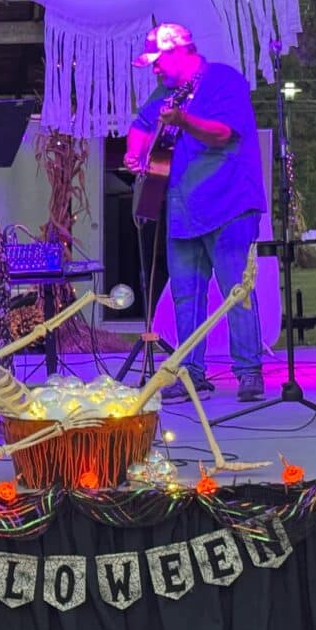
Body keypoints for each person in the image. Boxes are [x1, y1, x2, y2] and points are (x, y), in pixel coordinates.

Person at [123, 23, 266, 403]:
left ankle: (249, 371)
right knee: (185, 296)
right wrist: (135, 152)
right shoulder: (166, 92)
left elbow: (223, 133)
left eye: (158, 60)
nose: (155, 68)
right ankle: (190, 375)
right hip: (183, 209)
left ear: (179, 51)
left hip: (229, 203)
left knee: (237, 291)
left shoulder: (224, 80)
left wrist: (183, 121)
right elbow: (141, 125)